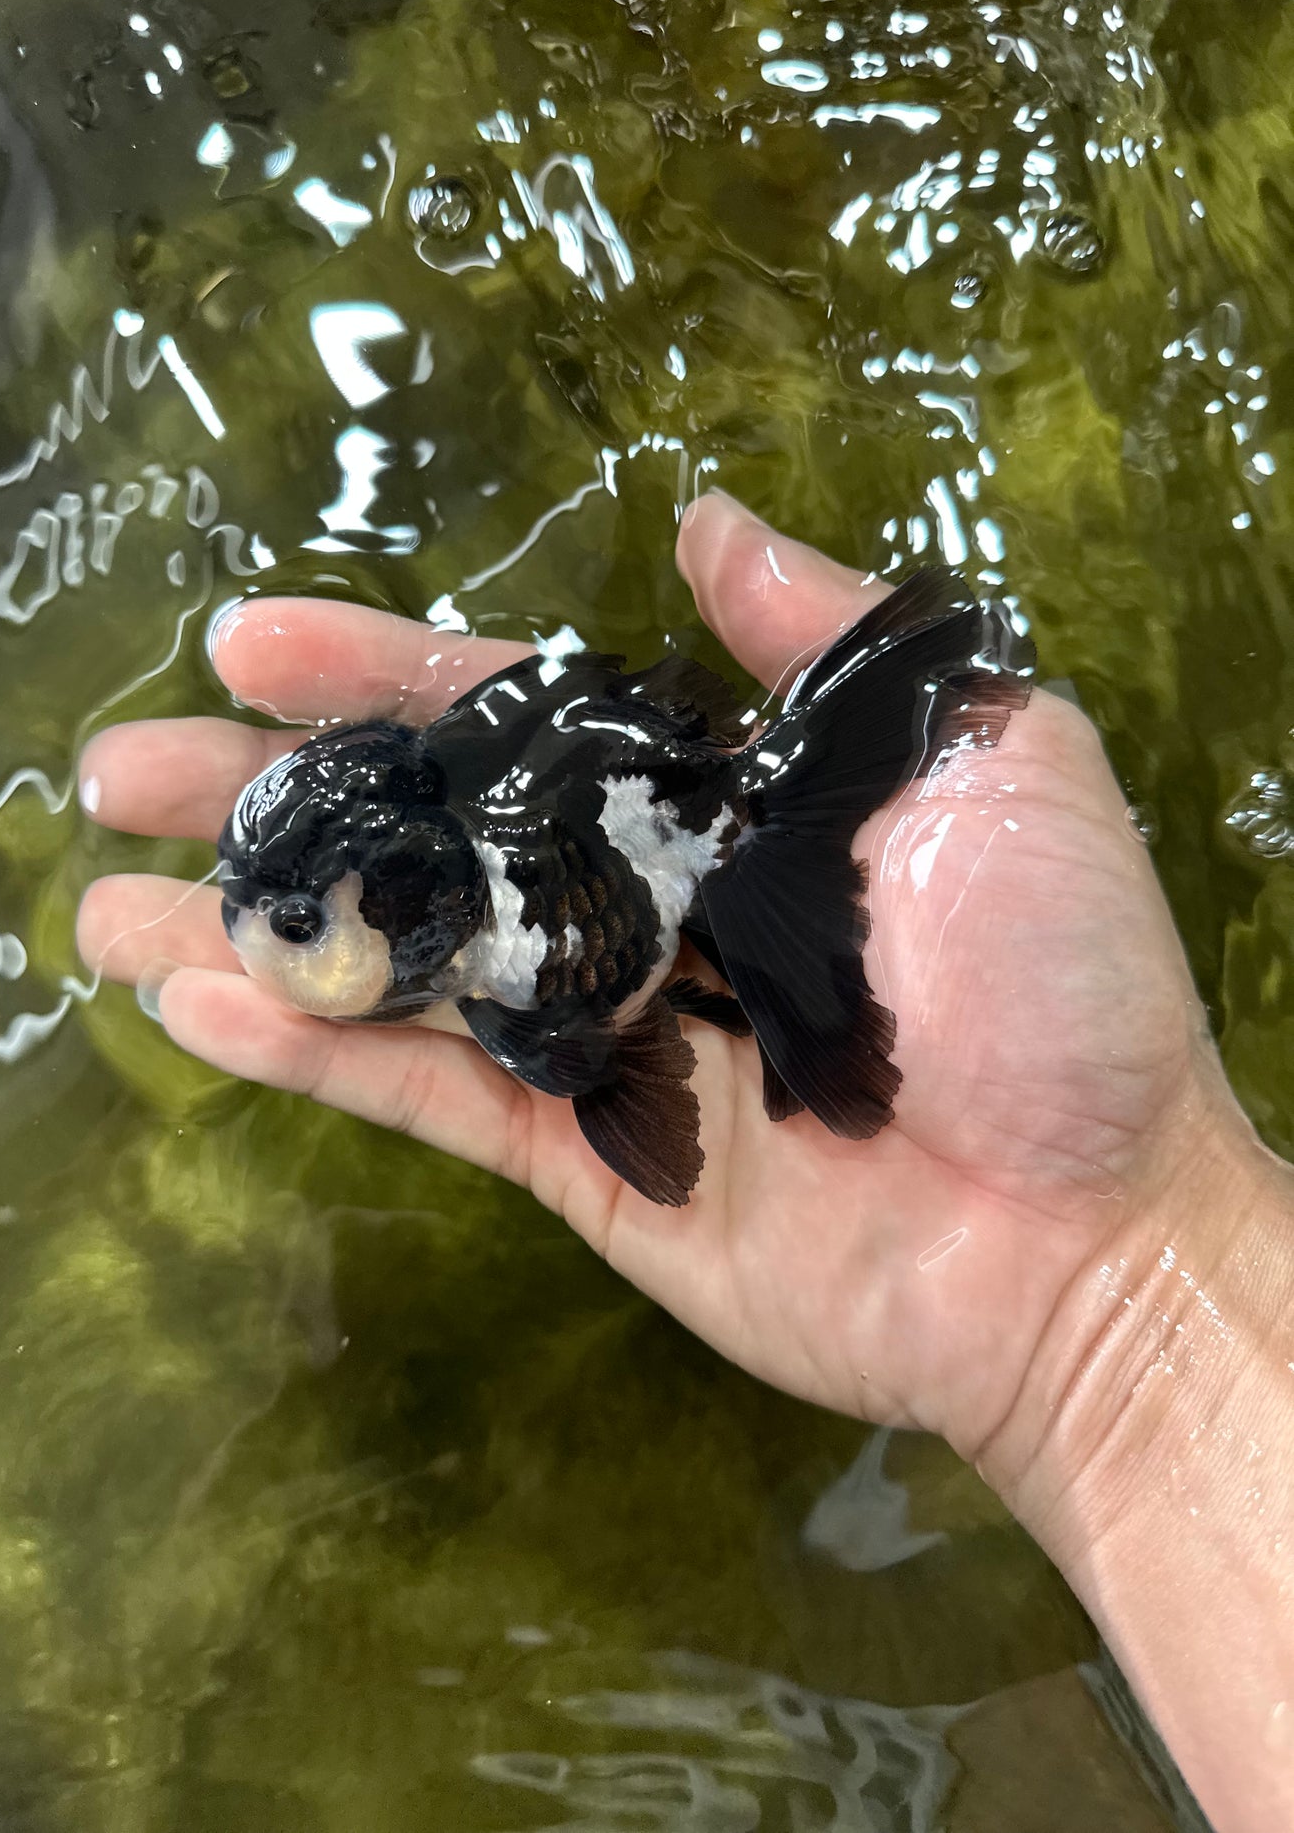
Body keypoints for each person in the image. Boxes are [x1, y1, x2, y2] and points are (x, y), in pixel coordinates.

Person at [77, 490, 1294, 1833]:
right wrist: (1115, 1304)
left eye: (298, 921)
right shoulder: (482, 900)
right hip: (653, 846)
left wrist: (1107, 1287)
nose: (273, 942)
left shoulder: (516, 953)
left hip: (660, 869)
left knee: (562, 1036)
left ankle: (786, 907)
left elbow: (600, 1067)